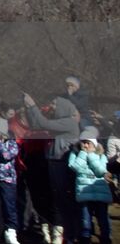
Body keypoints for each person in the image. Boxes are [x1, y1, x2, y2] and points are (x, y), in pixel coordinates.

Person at [24, 92, 81, 244]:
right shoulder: (60, 122)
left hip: (61, 164)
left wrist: (33, 105)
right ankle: (59, 231)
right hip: (53, 163)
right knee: (54, 198)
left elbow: (44, 124)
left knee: (61, 199)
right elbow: (37, 124)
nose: (52, 106)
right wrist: (29, 108)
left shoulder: (69, 122)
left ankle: (64, 234)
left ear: (63, 107)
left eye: (55, 104)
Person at [68, 129, 110, 244]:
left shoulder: (101, 155)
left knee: (103, 219)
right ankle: (85, 238)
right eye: (83, 142)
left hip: (100, 190)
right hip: (84, 192)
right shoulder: (75, 153)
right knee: (85, 220)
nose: (86, 145)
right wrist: (83, 154)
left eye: (88, 142)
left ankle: (106, 238)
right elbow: (75, 167)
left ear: (94, 144)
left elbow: (101, 170)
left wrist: (91, 155)